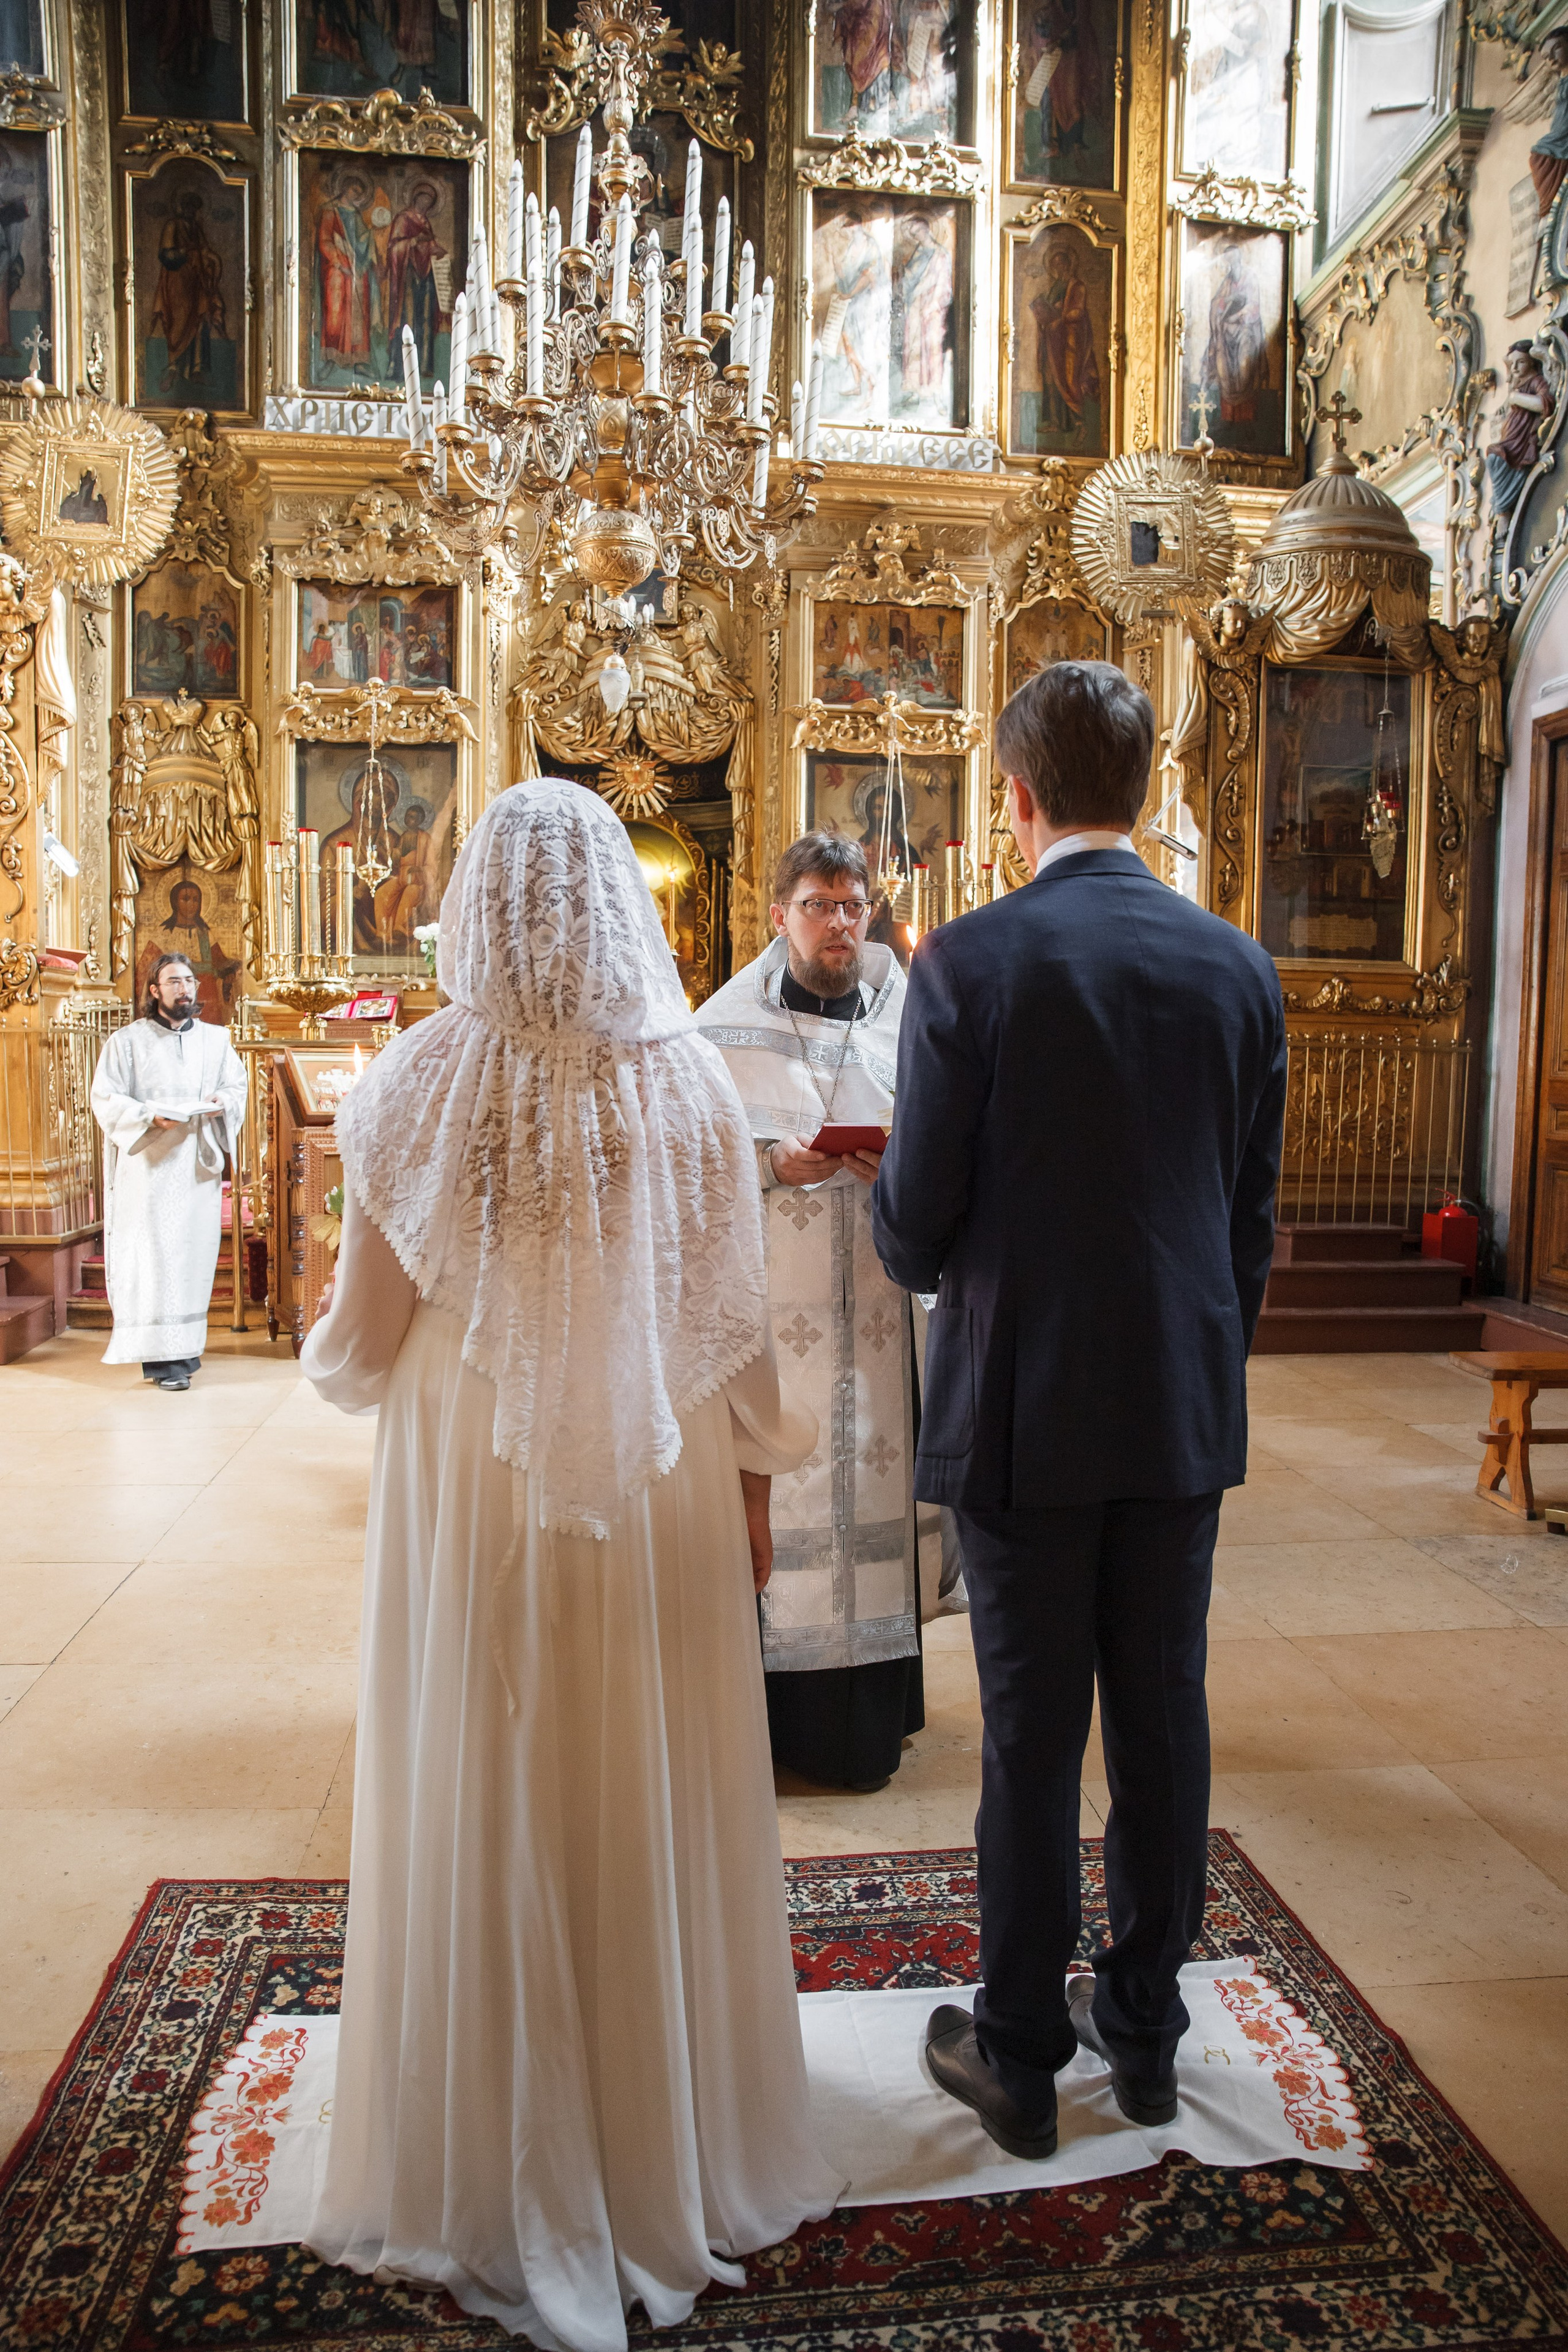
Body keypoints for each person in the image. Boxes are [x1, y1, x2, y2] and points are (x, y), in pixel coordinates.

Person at [298, 782, 838, 2344]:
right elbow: (735, 1346)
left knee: (480, 1759)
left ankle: (467, 2148)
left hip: (469, 1462)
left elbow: (360, 1340)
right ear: (617, 904)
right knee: (633, 1766)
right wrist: (752, 1463)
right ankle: (659, 2123)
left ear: (479, 897)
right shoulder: (689, 1086)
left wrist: (368, 1373)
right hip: (655, 1454)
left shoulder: (406, 1082)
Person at [872, 660, 1286, 2158]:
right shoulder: (1235, 966)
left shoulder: (969, 963)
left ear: (1018, 795)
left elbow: (916, 1222)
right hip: (1177, 1404)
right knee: (1161, 1716)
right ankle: (1149, 2040)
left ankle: (1023, 2057)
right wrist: (1193, 1353)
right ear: (1140, 783)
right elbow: (1247, 1220)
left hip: (1020, 1413)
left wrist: (899, 1234)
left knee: (1031, 1738)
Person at [697, 833, 923, 1793]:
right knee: (780, 1512)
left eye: (853, 905)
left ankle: (873, 1711)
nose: (840, 923)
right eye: (820, 905)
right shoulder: (718, 1032)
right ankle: (772, 1714)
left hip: (878, 1317)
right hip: (773, 1327)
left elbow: (955, 1140)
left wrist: (898, 1165)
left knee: (874, 1496)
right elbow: (694, 1171)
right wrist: (769, 1164)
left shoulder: (911, 1017)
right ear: (780, 912)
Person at [90, 951, 248, 1392]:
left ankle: (185, 1350)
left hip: (195, 1165)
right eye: (174, 981)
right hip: (150, 1169)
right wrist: (147, 1118)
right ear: (155, 990)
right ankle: (163, 1361)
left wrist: (223, 1103)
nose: (185, 988)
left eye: (189, 981)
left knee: (191, 1258)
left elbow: (236, 1087)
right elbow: (107, 1097)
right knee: (155, 1259)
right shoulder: (126, 1042)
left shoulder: (216, 1040)